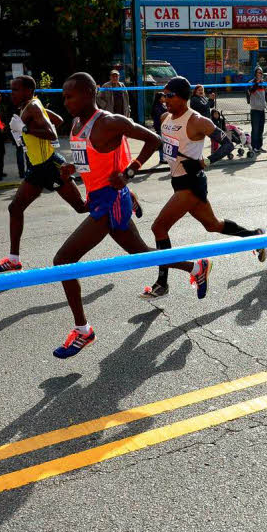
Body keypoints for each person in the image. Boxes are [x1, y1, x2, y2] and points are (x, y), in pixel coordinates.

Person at [51, 72, 210, 359]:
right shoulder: (77, 124)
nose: (65, 102)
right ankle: (195, 268)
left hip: (110, 201)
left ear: (89, 93)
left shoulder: (110, 122)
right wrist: (71, 171)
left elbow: (153, 140)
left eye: (69, 96)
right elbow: (88, 163)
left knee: (63, 261)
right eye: (63, 96)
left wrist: (130, 171)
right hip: (100, 198)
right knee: (140, 252)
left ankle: (82, 330)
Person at [140, 76, 265, 300]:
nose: (165, 99)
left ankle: (162, 284)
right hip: (178, 181)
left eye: (170, 95)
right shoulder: (164, 117)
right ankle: (255, 236)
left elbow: (228, 142)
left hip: (191, 183)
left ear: (183, 97)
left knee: (159, 228)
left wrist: (205, 161)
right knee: (213, 225)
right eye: (163, 95)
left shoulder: (196, 120)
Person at [0, 75, 90, 273]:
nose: (12, 93)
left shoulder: (32, 107)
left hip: (51, 166)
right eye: (12, 89)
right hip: (37, 168)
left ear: (27, 91)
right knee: (15, 208)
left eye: (15, 89)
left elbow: (52, 133)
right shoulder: (30, 105)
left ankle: (123, 199)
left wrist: (25, 128)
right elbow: (58, 120)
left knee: (82, 207)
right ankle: (14, 260)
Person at [247, 67, 267, 154]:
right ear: (255, 73)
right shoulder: (251, 82)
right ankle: (254, 147)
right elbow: (251, 90)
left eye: (261, 73)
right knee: (255, 129)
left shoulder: (263, 83)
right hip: (255, 109)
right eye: (259, 73)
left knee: (261, 129)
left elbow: (265, 94)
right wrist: (257, 83)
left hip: (262, 109)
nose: (260, 74)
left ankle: (259, 146)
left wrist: (265, 103)